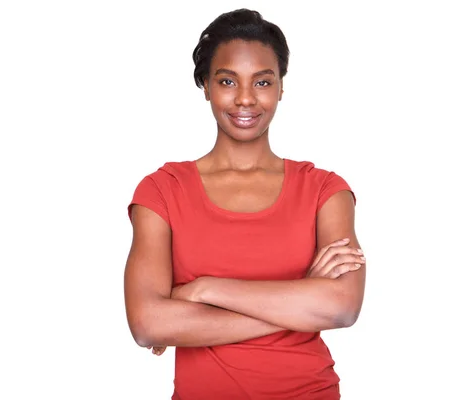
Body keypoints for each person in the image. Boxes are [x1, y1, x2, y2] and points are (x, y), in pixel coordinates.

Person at [124, 8, 366, 400]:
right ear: (205, 85)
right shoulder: (162, 190)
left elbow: (341, 307)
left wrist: (202, 290)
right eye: (226, 81)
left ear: (281, 86)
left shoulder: (325, 189)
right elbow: (148, 323)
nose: (245, 99)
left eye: (263, 81)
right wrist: (301, 297)